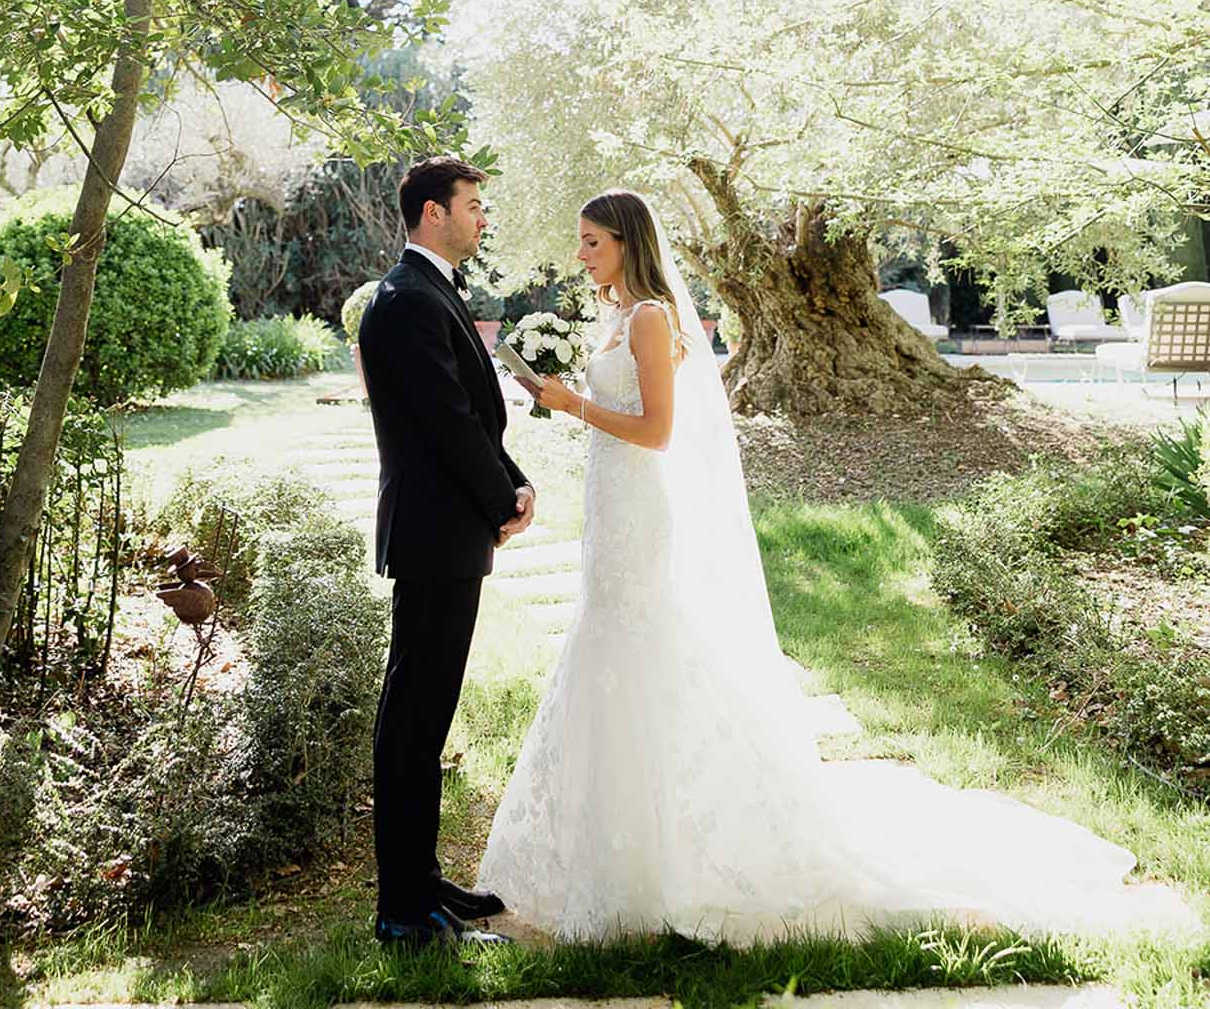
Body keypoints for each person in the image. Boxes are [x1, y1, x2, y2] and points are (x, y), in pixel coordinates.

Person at [479, 187, 1196, 946]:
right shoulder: (615, 317)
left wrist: (571, 404)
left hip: (638, 505)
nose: (581, 253)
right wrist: (552, 393)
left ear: (627, 242)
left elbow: (658, 431)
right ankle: (608, 843)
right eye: (581, 241)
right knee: (608, 643)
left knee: (641, 642)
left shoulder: (653, 318)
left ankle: (679, 845)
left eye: (592, 241)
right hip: (608, 504)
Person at [358, 156, 535, 950]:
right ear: (433, 213)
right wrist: (502, 499)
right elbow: (444, 422)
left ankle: (423, 885)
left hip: (447, 531)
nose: (481, 218)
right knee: (412, 722)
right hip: (435, 533)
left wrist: (515, 480)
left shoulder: (431, 290)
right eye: (473, 205)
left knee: (426, 718)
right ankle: (402, 911)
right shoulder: (403, 301)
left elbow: (473, 416)